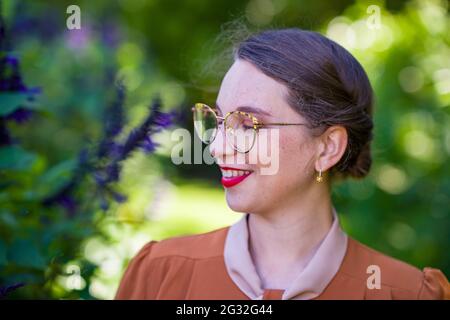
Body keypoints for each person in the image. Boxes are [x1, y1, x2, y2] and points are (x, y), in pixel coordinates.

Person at [115, 28, 449, 300]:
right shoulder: (160, 274)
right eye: (217, 121)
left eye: (248, 124)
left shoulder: (406, 293)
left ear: (328, 147)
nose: (216, 147)